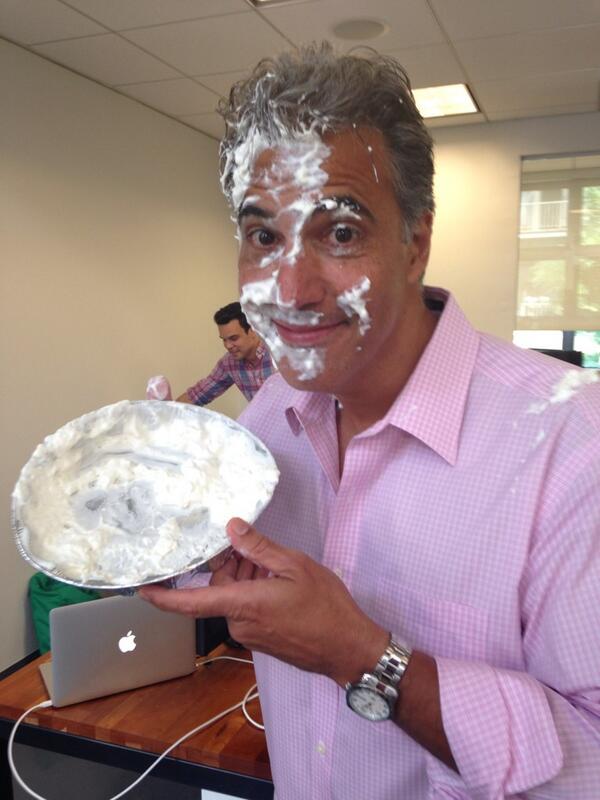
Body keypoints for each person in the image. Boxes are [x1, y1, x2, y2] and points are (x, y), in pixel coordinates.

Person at [140, 42, 600, 799]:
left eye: (341, 233)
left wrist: (365, 657)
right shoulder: (270, 415)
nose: (290, 290)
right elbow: (224, 570)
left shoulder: (572, 442)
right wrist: (154, 526)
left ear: (416, 243)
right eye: (264, 237)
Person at [177, 301, 274, 405]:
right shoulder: (229, 362)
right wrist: (166, 409)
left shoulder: (279, 354)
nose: (228, 346)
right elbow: (198, 394)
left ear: (253, 330)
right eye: (224, 339)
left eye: (233, 338)